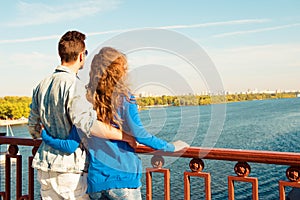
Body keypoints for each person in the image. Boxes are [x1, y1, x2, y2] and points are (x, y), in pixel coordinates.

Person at [41, 46, 189, 200]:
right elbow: (140, 135)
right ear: (119, 72)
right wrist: (172, 147)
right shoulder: (125, 99)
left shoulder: (85, 101)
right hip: (123, 182)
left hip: (96, 184)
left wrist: (44, 135)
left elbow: (70, 144)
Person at [28, 32, 135, 200]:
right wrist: (125, 136)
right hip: (70, 172)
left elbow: (33, 128)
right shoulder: (75, 86)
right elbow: (90, 125)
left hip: (44, 169)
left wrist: (44, 135)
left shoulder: (41, 85)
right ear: (80, 56)